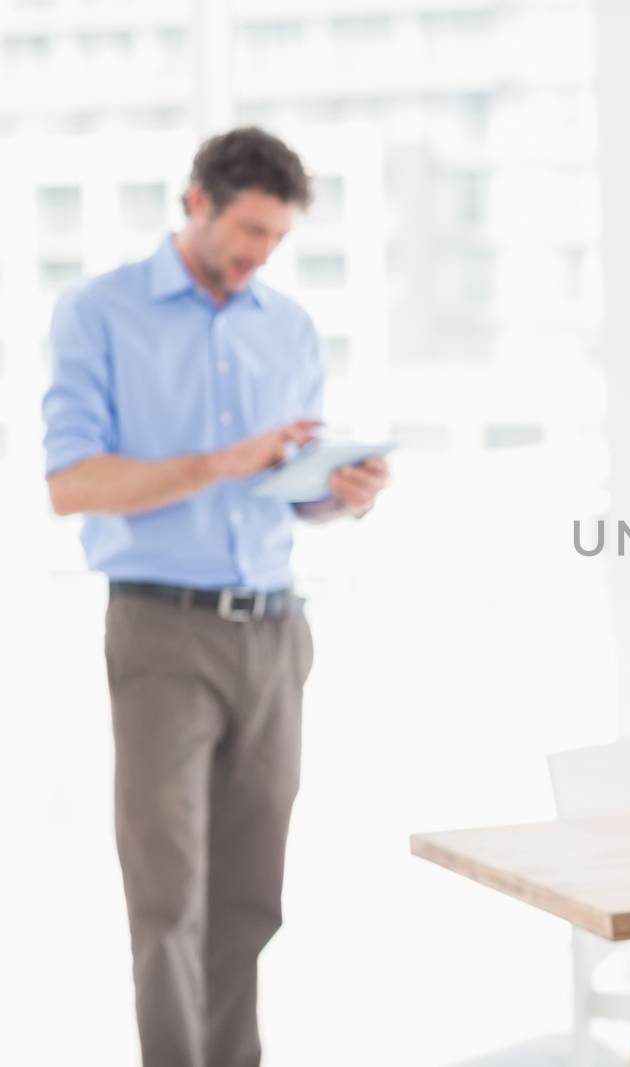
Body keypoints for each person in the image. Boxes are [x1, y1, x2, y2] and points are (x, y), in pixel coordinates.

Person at [41, 126, 390, 1067]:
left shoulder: (287, 326)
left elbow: (282, 489)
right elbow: (72, 482)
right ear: (195, 201)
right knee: (168, 899)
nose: (259, 254)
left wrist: (334, 492)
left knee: (251, 898)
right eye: (247, 230)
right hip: (163, 634)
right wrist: (224, 461)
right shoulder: (99, 314)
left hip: (277, 634)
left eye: (276, 238)